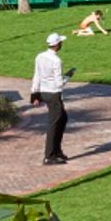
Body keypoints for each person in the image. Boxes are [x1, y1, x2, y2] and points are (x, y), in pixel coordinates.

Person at [29, 32, 70, 165]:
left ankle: (57, 151)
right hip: (53, 94)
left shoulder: (40, 56)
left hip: (44, 92)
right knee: (54, 123)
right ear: (57, 45)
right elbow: (59, 83)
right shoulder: (56, 61)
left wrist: (34, 93)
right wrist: (68, 76)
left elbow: (37, 75)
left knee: (63, 118)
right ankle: (49, 155)